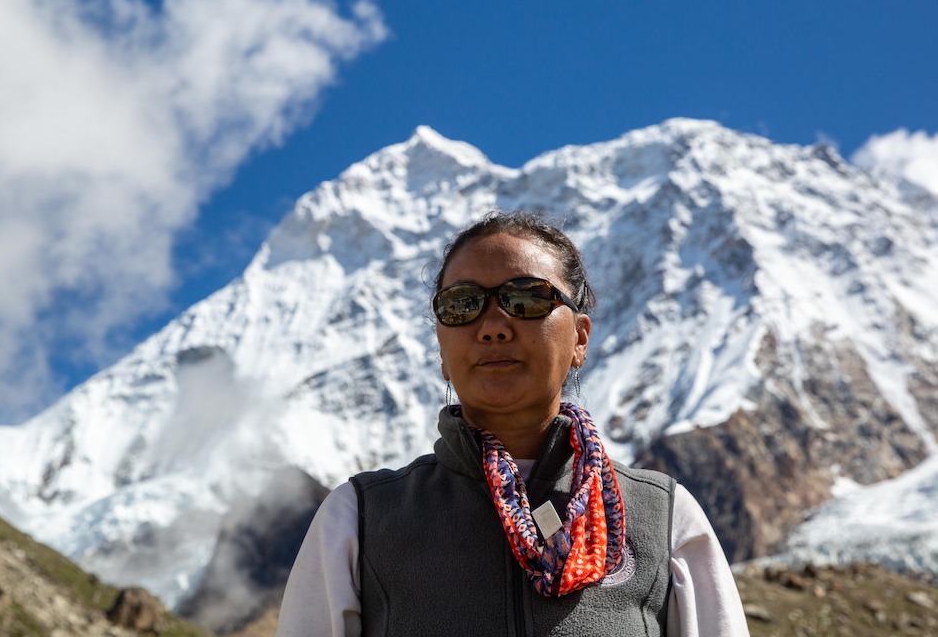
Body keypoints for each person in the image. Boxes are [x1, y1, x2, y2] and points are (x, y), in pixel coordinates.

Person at [278, 211, 750, 636]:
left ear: (580, 339)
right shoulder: (360, 519)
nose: (493, 326)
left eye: (526, 298)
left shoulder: (663, 516)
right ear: (442, 350)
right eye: (462, 305)